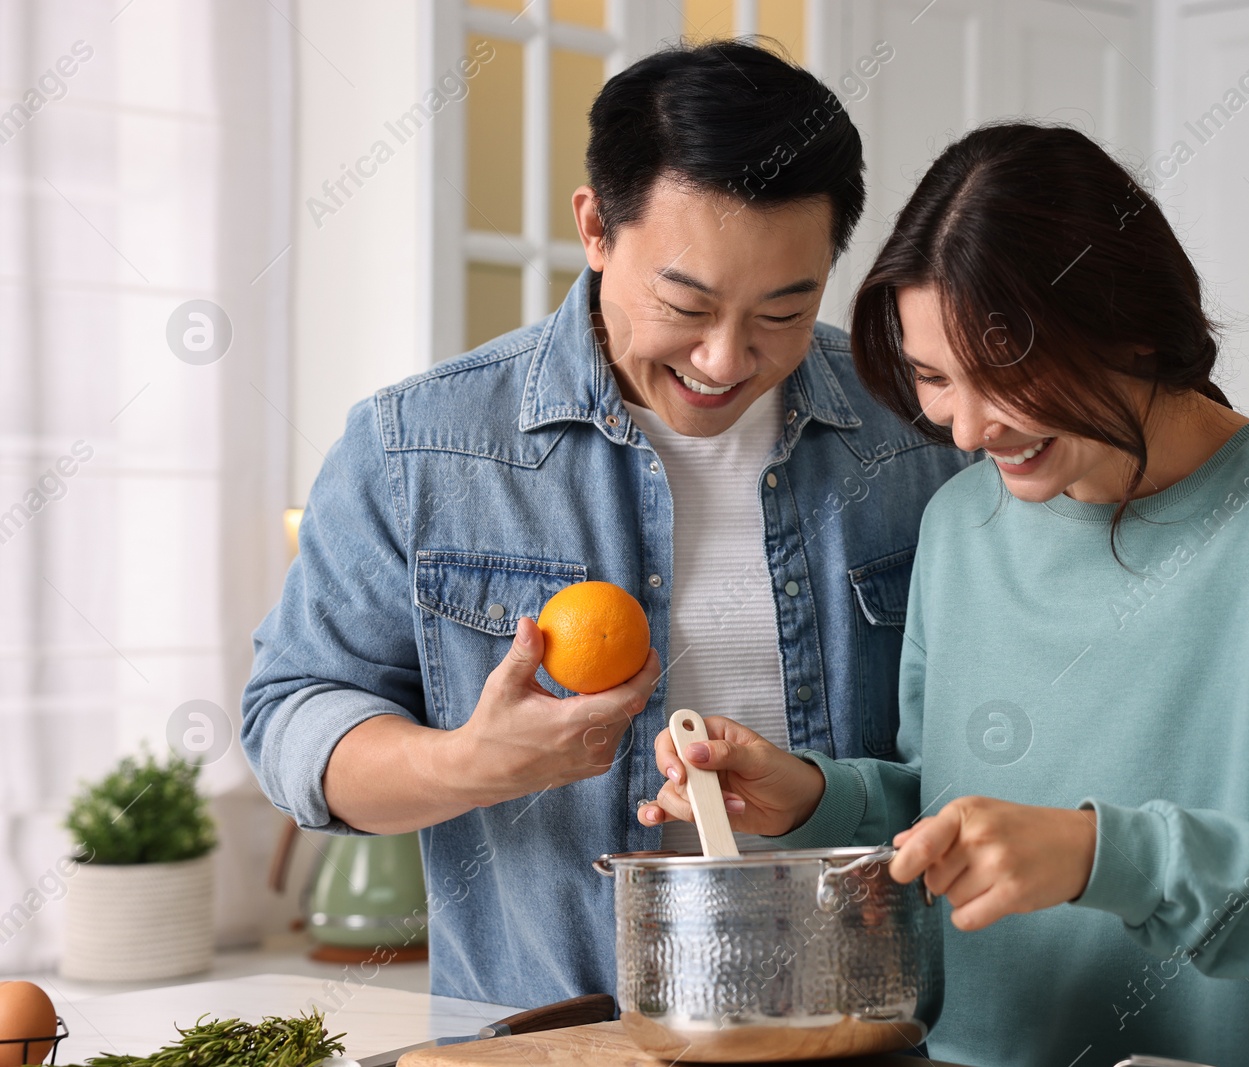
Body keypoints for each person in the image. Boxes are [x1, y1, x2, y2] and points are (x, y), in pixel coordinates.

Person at [639, 122, 1249, 1067]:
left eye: (1004, 375)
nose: (965, 428)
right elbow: (951, 811)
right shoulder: (962, 525)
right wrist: (812, 800)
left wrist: (1101, 857)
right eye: (934, 380)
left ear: (1126, 321)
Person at [241, 41, 969, 1010]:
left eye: (783, 312)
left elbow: (980, 754)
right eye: (686, 303)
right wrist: (469, 762)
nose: (724, 357)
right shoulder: (417, 448)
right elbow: (293, 721)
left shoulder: (917, 435)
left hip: (870, 1021)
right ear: (593, 226)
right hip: (551, 1030)